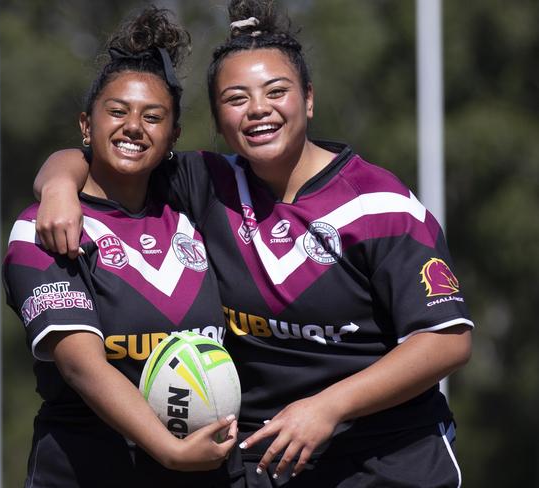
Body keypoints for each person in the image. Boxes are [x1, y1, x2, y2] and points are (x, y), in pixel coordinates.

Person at [32, 1, 473, 486]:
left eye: (276, 91)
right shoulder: (207, 184)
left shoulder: (381, 206)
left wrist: (328, 407)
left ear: (308, 99)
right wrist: (56, 187)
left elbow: (446, 341)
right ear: (218, 122)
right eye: (236, 98)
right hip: (263, 467)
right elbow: (104, 153)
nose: (258, 109)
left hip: (389, 460)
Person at [2, 7, 239, 488]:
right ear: (86, 126)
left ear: (172, 136)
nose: (134, 126)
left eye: (153, 117)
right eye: (117, 112)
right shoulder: (43, 227)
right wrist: (169, 451)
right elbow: (80, 365)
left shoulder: (197, 217)